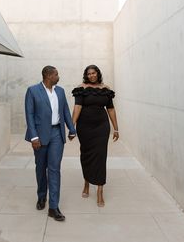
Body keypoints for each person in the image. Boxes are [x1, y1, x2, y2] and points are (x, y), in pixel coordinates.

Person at [25, 65, 76, 221]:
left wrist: (72, 129)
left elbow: (65, 111)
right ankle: (41, 196)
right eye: (56, 74)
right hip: (40, 136)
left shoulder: (60, 91)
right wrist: (34, 137)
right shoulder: (33, 91)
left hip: (57, 135)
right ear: (48, 76)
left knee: (54, 169)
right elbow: (30, 114)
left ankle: (54, 207)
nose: (58, 76)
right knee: (41, 168)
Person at [72, 65, 119, 207]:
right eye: (89, 73)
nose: (92, 75)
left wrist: (116, 129)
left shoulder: (106, 89)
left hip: (101, 127)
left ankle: (100, 190)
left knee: (100, 156)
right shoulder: (81, 89)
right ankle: (86, 182)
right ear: (86, 75)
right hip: (84, 127)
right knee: (86, 155)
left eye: (94, 73)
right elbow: (77, 108)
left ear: (98, 74)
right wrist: (71, 127)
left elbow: (110, 109)